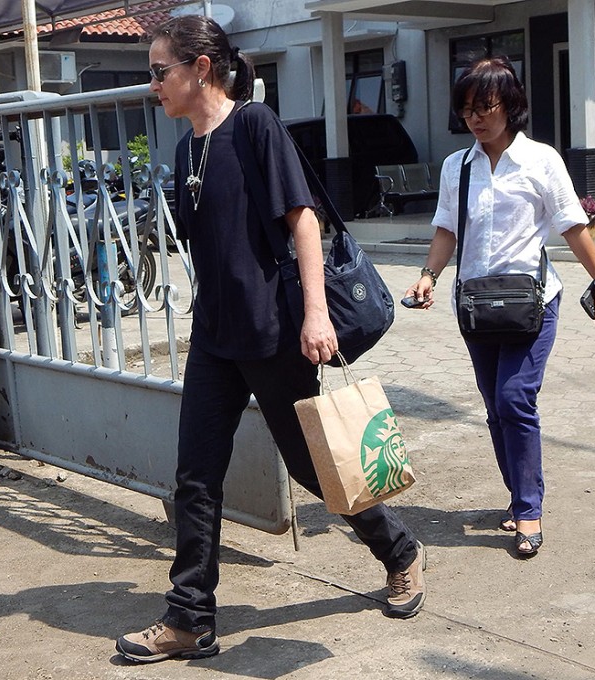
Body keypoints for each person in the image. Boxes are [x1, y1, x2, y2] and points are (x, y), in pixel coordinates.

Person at [113, 15, 425, 664]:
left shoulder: (255, 125)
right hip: (216, 338)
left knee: (318, 467)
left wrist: (317, 314)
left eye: (159, 72)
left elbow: (302, 222)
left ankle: (400, 551)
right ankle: (189, 619)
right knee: (195, 477)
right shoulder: (184, 150)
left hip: (275, 334)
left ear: (200, 69)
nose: (153, 86)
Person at [403, 57, 595, 559]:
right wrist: (429, 276)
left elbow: (572, 225)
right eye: (468, 109)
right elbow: (447, 230)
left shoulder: (541, 161)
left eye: (486, 107)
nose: (476, 118)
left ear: (510, 106)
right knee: (496, 408)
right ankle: (519, 495)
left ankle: (528, 509)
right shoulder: (459, 166)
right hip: (477, 305)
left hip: (531, 303)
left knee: (515, 398)